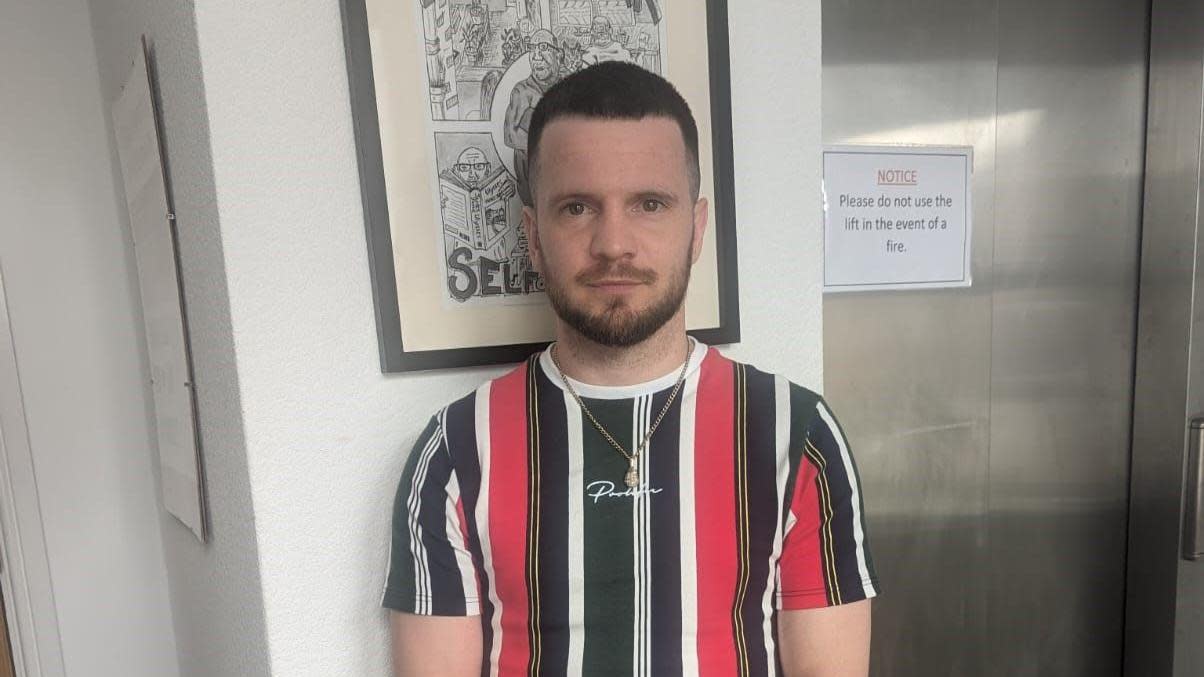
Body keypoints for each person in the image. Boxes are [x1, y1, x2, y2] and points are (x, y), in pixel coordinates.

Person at [384, 62, 878, 676]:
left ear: (696, 229)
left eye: (649, 203)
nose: (613, 242)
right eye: (577, 208)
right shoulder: (456, 450)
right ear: (533, 237)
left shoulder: (795, 433)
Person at [504, 29, 562, 206]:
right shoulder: (523, 91)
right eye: (532, 49)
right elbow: (509, 135)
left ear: (558, 55)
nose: (536, 56)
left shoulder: (568, 87)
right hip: (532, 179)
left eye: (543, 47)